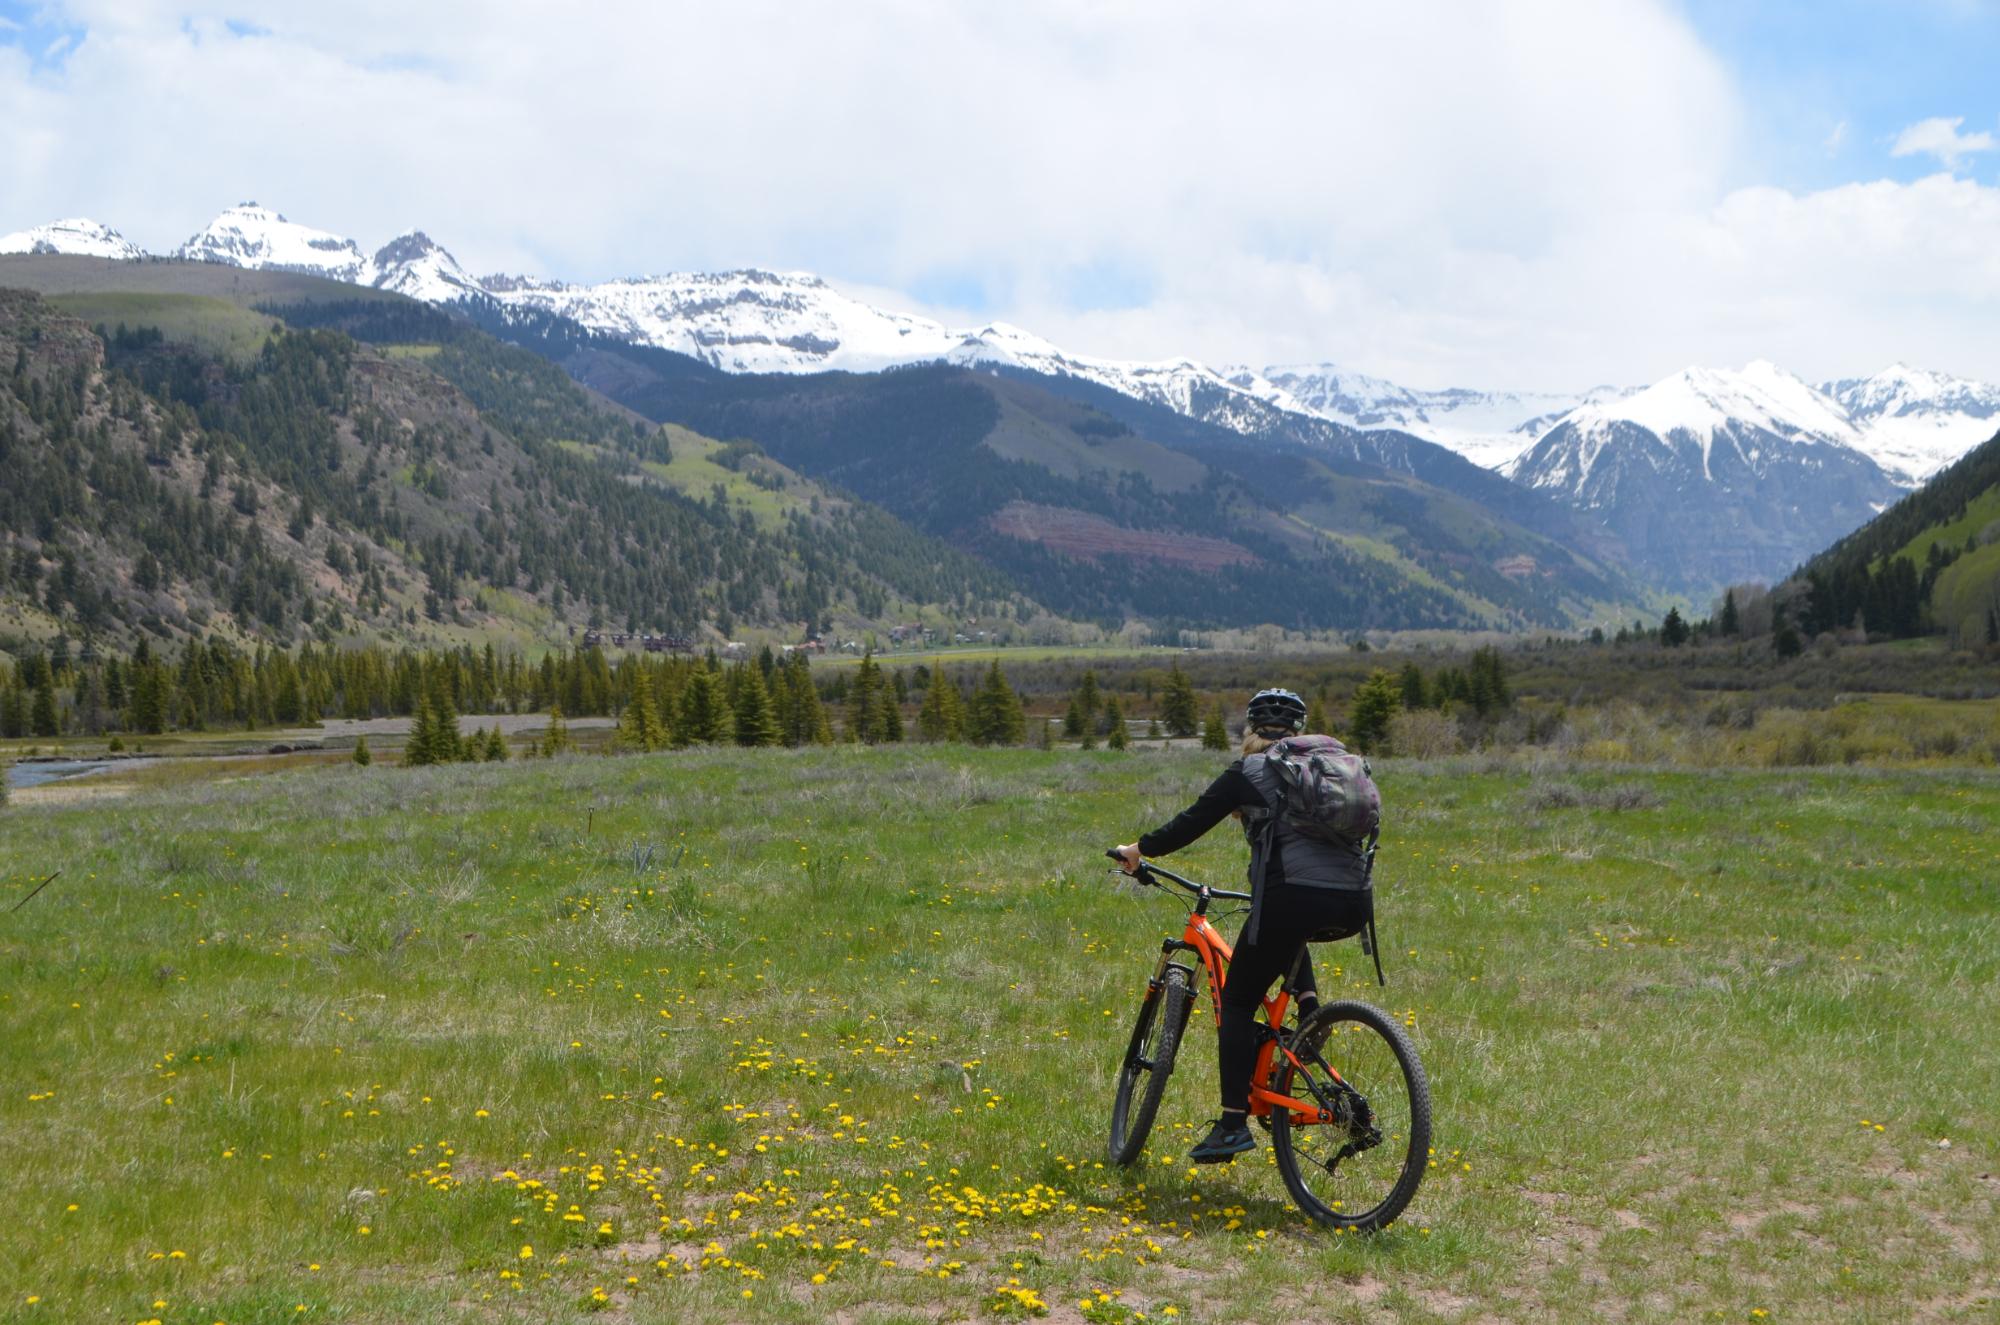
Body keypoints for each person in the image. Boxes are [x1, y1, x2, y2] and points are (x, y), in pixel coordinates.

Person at [1112, 687, 1373, 1163]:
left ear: (1250, 730)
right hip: (1354, 902)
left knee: (1236, 1001)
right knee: (1284, 928)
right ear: (1298, 731)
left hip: (1290, 900)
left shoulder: (1250, 771)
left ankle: (1233, 1124)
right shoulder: (1328, 771)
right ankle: (1311, 1014)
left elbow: (1190, 822)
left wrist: (1139, 850)